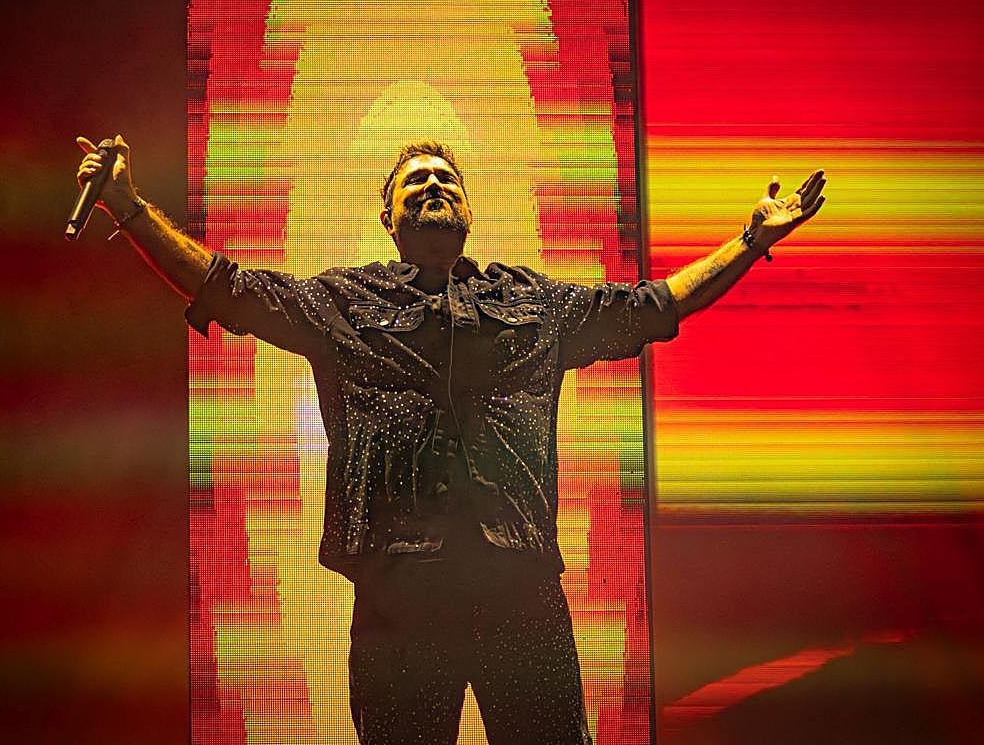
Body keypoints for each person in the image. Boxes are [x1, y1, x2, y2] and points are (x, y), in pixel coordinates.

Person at [74, 135, 826, 745]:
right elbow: (226, 288)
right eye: (415, 182)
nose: (434, 186)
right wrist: (131, 208)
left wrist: (750, 242)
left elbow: (653, 306)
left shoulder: (536, 302)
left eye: (446, 179)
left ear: (467, 206)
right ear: (389, 217)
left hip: (518, 585)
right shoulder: (342, 302)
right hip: (402, 593)